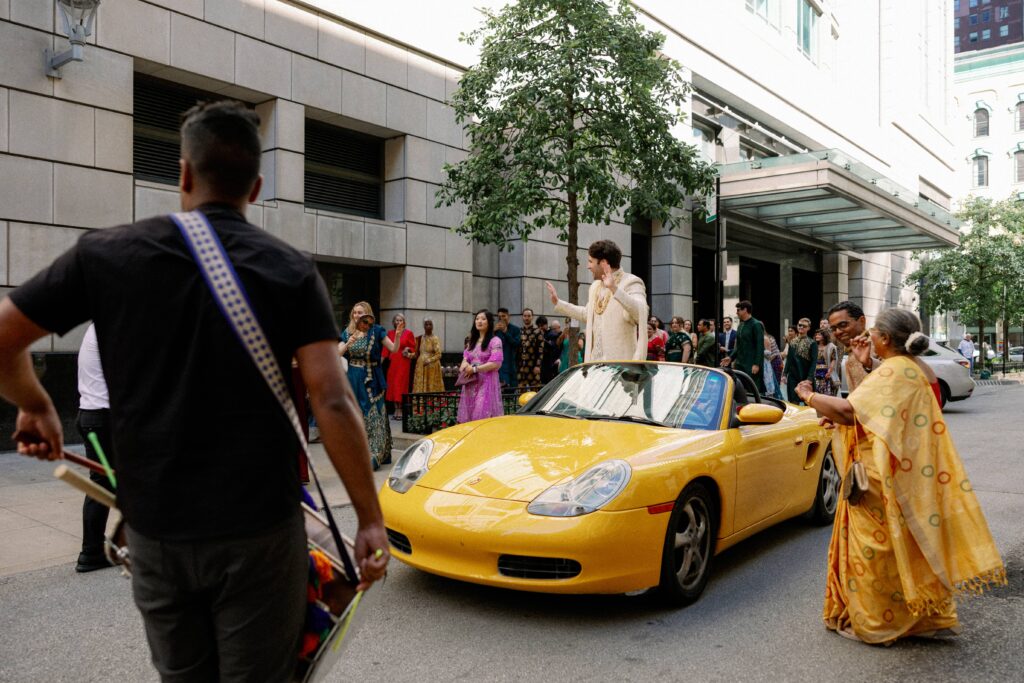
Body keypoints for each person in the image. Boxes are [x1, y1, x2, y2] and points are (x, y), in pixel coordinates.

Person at [0, 101, 388, 681]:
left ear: (182, 174)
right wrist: (369, 519)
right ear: (255, 188)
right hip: (260, 528)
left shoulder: (106, 254)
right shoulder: (290, 270)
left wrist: (36, 407)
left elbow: (4, 338)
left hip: (158, 529)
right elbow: (333, 401)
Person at [794, 309, 1005, 645]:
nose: (840, 333)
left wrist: (809, 395)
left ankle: (878, 624)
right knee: (907, 548)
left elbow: (853, 411)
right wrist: (860, 377)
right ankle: (928, 616)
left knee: (873, 553)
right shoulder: (906, 367)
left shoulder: (894, 370)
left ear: (883, 337)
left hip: (883, 476)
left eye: (871, 331)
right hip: (900, 470)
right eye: (833, 328)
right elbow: (880, 414)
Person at [545, 239, 648, 362]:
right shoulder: (595, 286)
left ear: (603, 263)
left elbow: (640, 313)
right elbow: (586, 314)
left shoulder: (631, 282)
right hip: (595, 368)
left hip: (621, 370)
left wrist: (614, 289)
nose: (588, 266)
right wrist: (558, 303)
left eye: (590, 261)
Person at [73, 323, 115, 573]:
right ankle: (90, 552)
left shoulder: (97, 327)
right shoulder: (108, 328)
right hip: (103, 419)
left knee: (107, 483)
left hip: (94, 417)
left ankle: (94, 550)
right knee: (102, 485)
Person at [339, 303, 396, 470]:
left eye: (360, 312)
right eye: (355, 312)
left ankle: (375, 453)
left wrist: (398, 335)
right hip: (353, 377)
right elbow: (337, 353)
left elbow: (393, 348)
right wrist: (348, 342)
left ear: (367, 314)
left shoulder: (376, 330)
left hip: (372, 377)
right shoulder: (348, 332)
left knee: (373, 414)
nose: (357, 315)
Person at [457, 310, 504, 423]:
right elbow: (465, 359)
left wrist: (474, 369)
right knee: (470, 414)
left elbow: (496, 363)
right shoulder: (472, 341)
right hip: (471, 383)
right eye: (477, 318)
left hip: (486, 382)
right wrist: (465, 367)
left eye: (483, 319)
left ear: (489, 322)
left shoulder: (495, 341)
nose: (479, 321)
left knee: (481, 414)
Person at [827, 300, 878, 393]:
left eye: (843, 325)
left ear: (862, 321)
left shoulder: (880, 346)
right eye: (833, 329)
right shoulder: (849, 354)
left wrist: (870, 363)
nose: (838, 332)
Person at [722, 301, 765, 393]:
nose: (737, 313)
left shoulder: (756, 324)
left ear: (745, 310)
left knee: (753, 390)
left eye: (738, 310)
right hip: (740, 364)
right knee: (740, 390)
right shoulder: (741, 325)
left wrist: (757, 364)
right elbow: (739, 345)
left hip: (751, 364)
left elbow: (760, 346)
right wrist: (730, 357)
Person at [384, 313, 415, 420]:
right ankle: (395, 409)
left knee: (400, 384)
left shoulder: (409, 333)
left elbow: (413, 348)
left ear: (404, 322)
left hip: (403, 362)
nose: (398, 322)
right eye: (396, 320)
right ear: (393, 322)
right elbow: (385, 350)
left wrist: (408, 349)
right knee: (393, 384)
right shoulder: (390, 333)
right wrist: (380, 360)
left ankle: (400, 410)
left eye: (400, 320)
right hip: (393, 363)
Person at [782, 318, 816, 403]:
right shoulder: (792, 342)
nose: (801, 327)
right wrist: (784, 374)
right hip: (793, 375)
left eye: (804, 326)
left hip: (806, 375)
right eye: (799, 325)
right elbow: (789, 359)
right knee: (793, 400)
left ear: (808, 328)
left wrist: (810, 378)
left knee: (807, 401)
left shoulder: (812, 343)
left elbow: (814, 362)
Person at [412, 317, 444, 393]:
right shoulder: (419, 338)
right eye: (426, 324)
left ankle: (432, 403)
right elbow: (416, 354)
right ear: (424, 326)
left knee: (431, 386)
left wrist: (429, 360)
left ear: (433, 326)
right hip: (421, 366)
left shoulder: (435, 338)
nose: (428, 326)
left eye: (430, 324)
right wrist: (408, 354)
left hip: (432, 367)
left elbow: (439, 354)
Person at [493, 307, 520, 387]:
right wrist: (493, 332)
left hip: (511, 362)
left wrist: (505, 332)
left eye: (503, 316)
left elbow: (516, 343)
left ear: (509, 316)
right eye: (499, 316)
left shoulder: (516, 329)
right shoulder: (495, 330)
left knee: (511, 388)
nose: (501, 318)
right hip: (498, 363)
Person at [518, 307, 544, 386]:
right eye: (525, 316)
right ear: (522, 317)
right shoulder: (519, 331)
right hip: (520, 367)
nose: (526, 318)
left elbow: (540, 350)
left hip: (533, 366)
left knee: (534, 392)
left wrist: (538, 365)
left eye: (529, 316)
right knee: (521, 393)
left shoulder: (538, 331)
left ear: (532, 317)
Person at [813, 328, 840, 397]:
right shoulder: (814, 346)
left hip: (826, 373)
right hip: (816, 373)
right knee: (816, 394)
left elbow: (833, 359)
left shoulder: (831, 347)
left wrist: (829, 371)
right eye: (816, 335)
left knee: (826, 394)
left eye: (819, 335)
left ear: (824, 336)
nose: (817, 336)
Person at [540, 317, 562, 382]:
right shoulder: (549, 334)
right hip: (549, 361)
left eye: (555, 328)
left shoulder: (556, 335)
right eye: (552, 328)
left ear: (559, 327)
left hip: (556, 360)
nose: (554, 330)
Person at [762, 333, 783, 400]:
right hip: (767, 362)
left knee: (774, 382)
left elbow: (772, 354)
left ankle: (778, 399)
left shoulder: (767, 338)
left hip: (773, 361)